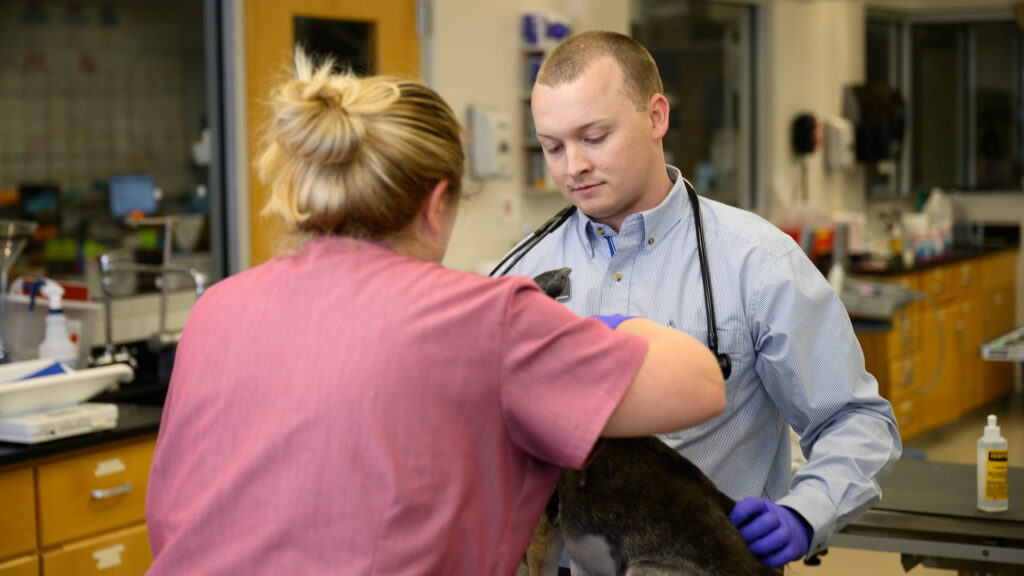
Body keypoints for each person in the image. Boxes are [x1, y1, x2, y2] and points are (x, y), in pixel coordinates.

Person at [144, 50, 726, 575]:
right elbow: (699, 386)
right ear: (436, 203)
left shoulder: (217, 307)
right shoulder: (479, 319)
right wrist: (608, 326)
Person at [500, 30, 903, 569]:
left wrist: (807, 512)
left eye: (594, 137)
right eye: (552, 146)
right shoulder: (521, 277)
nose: (573, 165)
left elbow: (857, 420)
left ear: (655, 117)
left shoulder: (757, 263)